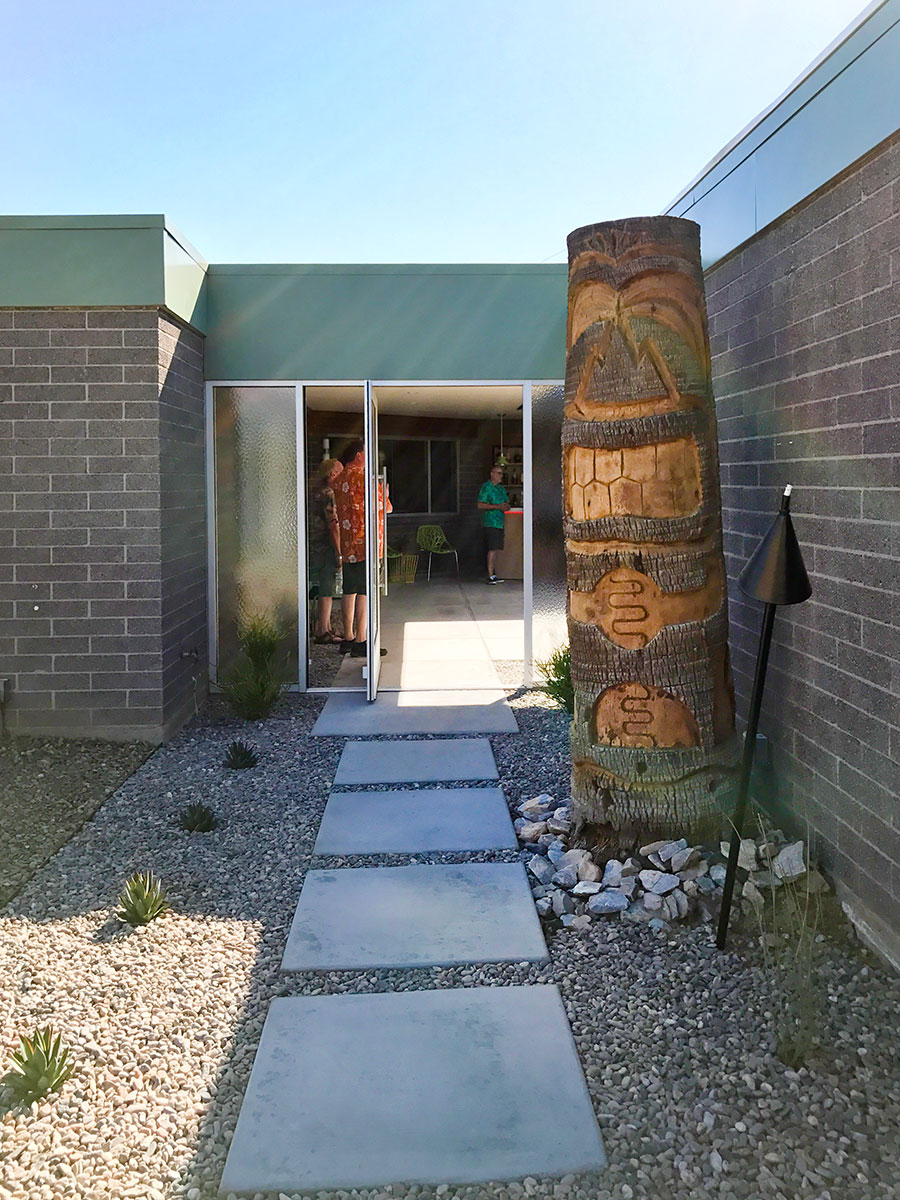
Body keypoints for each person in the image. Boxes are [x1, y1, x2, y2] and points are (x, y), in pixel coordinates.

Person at [333, 440, 391, 657]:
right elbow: (384, 506)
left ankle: (348, 637)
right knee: (365, 591)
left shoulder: (339, 480)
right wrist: (384, 494)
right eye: (367, 453)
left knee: (350, 589)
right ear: (359, 455)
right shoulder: (364, 479)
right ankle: (361, 640)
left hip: (348, 543)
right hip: (365, 542)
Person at [307, 458, 343, 644]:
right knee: (327, 588)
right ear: (332, 475)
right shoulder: (329, 493)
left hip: (313, 544)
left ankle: (326, 627)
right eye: (340, 472)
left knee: (324, 585)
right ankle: (322, 631)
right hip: (324, 545)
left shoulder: (314, 492)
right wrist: (339, 552)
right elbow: (333, 525)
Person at [477, 464, 510, 584]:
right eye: (499, 473)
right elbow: (480, 505)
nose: (501, 476)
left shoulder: (501, 488)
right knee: (492, 548)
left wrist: (506, 506)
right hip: (490, 522)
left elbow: (506, 503)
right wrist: (496, 507)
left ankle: (494, 574)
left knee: (496, 548)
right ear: (492, 474)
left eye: (502, 473)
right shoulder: (486, 487)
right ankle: (490, 575)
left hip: (500, 522)